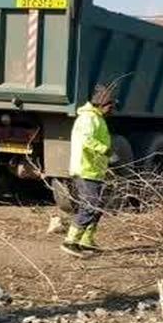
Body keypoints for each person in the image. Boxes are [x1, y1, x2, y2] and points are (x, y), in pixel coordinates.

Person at [62, 84, 114, 256]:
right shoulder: (88, 119)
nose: (111, 109)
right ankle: (70, 242)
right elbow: (87, 140)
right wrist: (105, 150)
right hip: (85, 169)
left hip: (94, 169)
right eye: (110, 106)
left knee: (97, 206)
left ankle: (86, 240)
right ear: (101, 104)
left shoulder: (97, 118)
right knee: (90, 206)